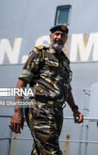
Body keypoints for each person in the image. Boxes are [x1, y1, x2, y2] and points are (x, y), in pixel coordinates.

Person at [10, 25, 83, 155]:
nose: (59, 38)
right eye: (56, 34)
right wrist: (17, 111)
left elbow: (67, 88)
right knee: (51, 151)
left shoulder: (65, 61)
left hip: (57, 113)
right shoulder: (39, 53)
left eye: (62, 35)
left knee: (40, 151)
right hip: (40, 109)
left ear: (66, 38)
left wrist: (75, 109)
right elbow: (22, 82)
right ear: (51, 36)